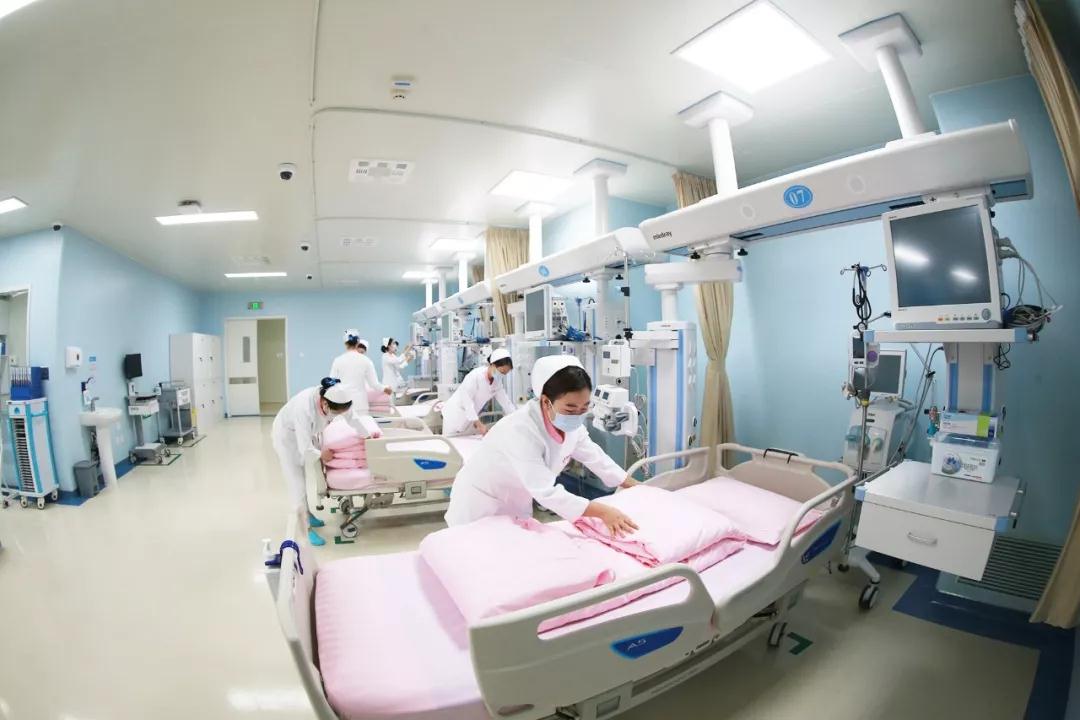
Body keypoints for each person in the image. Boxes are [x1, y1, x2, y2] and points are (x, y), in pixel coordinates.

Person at [445, 355, 639, 537]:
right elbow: (545, 491)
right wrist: (603, 512)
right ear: (546, 402)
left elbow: (596, 457)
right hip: (480, 503)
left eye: (584, 407)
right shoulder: (521, 430)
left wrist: (634, 485)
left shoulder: (572, 427)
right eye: (570, 408)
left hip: (516, 499)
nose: (578, 415)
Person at [271, 377, 354, 547]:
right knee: (298, 485)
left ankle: (307, 514)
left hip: (305, 436)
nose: (336, 417)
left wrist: (367, 434)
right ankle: (305, 530)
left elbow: (353, 419)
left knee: (305, 477)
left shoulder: (337, 398)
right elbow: (305, 448)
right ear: (324, 403)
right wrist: (322, 454)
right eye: (335, 413)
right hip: (287, 439)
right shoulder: (304, 408)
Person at [441, 348, 517, 436]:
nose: (502, 375)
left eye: (505, 374)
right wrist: (479, 425)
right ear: (493, 365)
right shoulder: (475, 376)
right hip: (453, 417)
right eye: (502, 372)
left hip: (469, 419)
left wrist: (517, 418)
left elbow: (506, 403)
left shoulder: (497, 383)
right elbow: (467, 402)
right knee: (451, 442)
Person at [330, 330, 390, 414]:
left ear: (345, 343)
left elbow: (332, 384)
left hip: (343, 406)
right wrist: (385, 389)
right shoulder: (366, 361)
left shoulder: (337, 361)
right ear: (358, 342)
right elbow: (374, 384)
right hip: (360, 405)